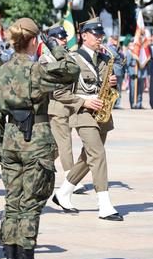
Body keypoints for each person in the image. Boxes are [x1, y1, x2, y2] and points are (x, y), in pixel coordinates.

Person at [0, 18, 80, 259]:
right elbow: (72, 69)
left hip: (10, 138)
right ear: (33, 41)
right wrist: (54, 45)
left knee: (12, 202)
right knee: (30, 203)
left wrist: (1, 141)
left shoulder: (3, 71)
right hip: (36, 139)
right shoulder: (37, 71)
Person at [51, 18, 123, 221]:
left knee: (86, 157)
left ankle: (63, 193)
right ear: (84, 35)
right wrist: (84, 101)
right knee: (98, 154)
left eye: (101, 35)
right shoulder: (72, 59)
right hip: (83, 113)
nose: (100, 38)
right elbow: (59, 93)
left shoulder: (102, 59)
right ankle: (104, 204)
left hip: (102, 114)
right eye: (96, 34)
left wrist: (112, 83)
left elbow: (102, 85)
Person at [39, 26, 78, 188]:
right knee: (65, 143)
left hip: (69, 101)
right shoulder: (45, 59)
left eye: (65, 38)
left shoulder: (69, 56)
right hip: (55, 103)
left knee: (55, 145)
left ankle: (40, 169)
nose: (64, 41)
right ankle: (71, 178)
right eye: (61, 38)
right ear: (52, 39)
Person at [125, 42, 146, 109]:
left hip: (140, 73)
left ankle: (139, 104)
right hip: (133, 74)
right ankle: (133, 104)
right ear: (128, 46)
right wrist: (130, 73)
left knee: (140, 89)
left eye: (134, 45)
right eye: (131, 45)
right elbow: (127, 65)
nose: (133, 46)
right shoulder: (129, 53)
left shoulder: (138, 52)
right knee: (133, 90)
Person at [107, 35, 124, 108]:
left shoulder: (117, 48)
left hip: (119, 70)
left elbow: (122, 57)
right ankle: (113, 103)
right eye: (114, 40)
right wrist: (119, 53)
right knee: (114, 87)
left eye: (117, 40)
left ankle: (117, 103)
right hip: (114, 70)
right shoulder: (110, 48)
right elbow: (115, 56)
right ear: (111, 40)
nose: (116, 41)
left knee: (119, 87)